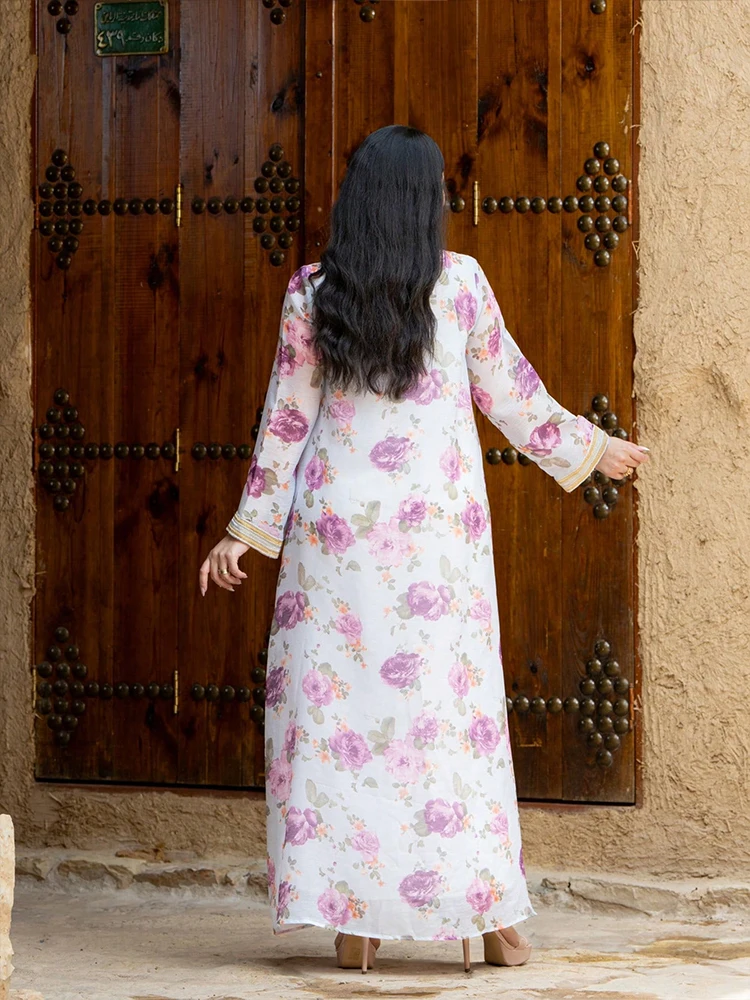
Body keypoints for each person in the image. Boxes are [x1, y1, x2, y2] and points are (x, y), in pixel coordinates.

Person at [198, 124, 649, 974]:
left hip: (335, 547)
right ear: (422, 199)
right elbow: (513, 398)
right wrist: (591, 447)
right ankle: (486, 912)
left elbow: (286, 422)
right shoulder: (462, 286)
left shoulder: (312, 292)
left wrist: (246, 532)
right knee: (446, 721)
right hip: (435, 550)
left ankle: (354, 920)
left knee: (341, 724)